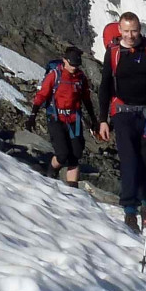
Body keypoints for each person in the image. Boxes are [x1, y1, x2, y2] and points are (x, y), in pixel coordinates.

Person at [97, 13, 146, 233]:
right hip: (123, 112)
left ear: (140, 29)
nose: (130, 35)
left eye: (134, 30)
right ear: (119, 30)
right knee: (129, 160)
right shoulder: (114, 53)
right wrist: (103, 120)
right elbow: (105, 86)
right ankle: (129, 209)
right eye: (126, 31)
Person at [29, 47, 99, 187]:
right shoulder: (55, 75)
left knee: (76, 155)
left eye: (76, 65)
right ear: (65, 60)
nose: (74, 67)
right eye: (72, 64)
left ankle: (72, 191)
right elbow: (42, 95)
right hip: (56, 118)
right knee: (62, 154)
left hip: (74, 120)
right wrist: (33, 115)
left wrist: (93, 120)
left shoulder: (80, 78)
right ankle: (51, 172)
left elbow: (86, 99)